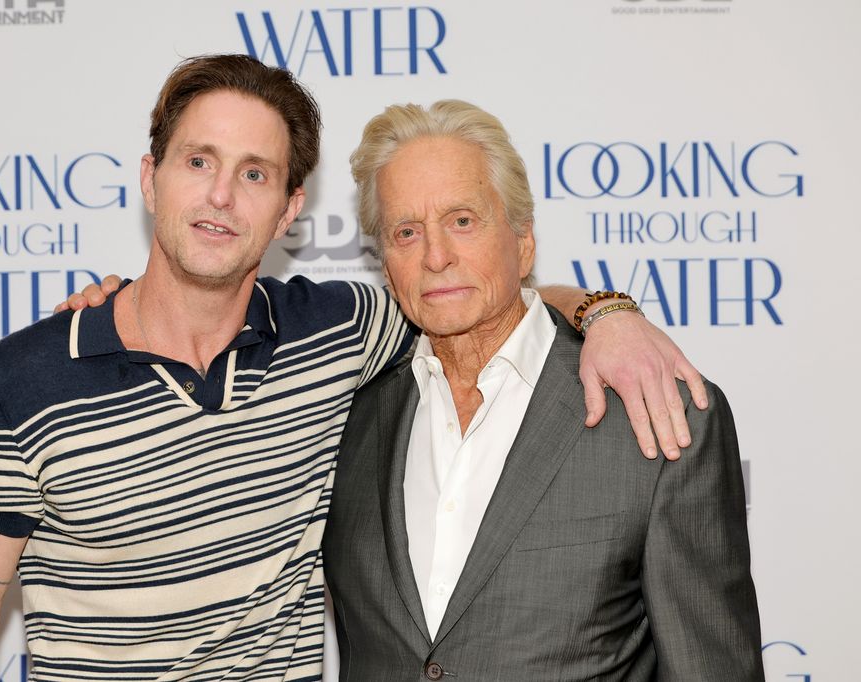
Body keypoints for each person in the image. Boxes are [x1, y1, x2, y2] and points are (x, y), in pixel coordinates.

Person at [0, 55, 705, 681]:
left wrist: (607, 313)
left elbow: (480, 293)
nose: (222, 196)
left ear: (290, 208)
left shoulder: (337, 332)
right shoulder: (18, 382)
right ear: (151, 179)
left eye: (254, 173)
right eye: (198, 162)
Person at [322, 100, 762, 680]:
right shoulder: (343, 415)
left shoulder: (656, 412)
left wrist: (607, 311)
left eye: (462, 221)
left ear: (523, 240)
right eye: (407, 232)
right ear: (385, 264)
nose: (436, 256)